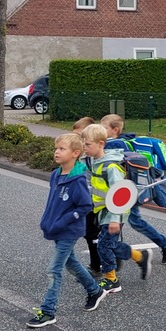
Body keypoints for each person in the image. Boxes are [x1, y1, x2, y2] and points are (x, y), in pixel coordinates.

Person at [25, 133, 108, 328]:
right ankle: (94, 290)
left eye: (62, 149)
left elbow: (85, 206)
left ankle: (48, 311)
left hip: (69, 231)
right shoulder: (56, 174)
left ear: (75, 153)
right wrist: (50, 221)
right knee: (71, 264)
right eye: (56, 148)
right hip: (56, 228)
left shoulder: (78, 180)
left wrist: (65, 220)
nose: (56, 152)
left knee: (54, 269)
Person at [81, 123, 152, 292]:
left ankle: (112, 280)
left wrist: (114, 219)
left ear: (101, 144)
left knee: (104, 245)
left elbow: (120, 195)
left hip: (114, 213)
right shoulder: (95, 162)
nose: (84, 148)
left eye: (88, 145)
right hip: (102, 211)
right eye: (83, 143)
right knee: (108, 244)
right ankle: (140, 257)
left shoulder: (111, 167)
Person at [100, 113, 166, 264]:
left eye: (104, 128)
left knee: (129, 220)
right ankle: (163, 243)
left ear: (115, 130)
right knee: (133, 220)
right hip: (130, 188)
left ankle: (163, 243)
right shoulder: (125, 140)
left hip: (126, 190)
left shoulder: (115, 144)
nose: (102, 131)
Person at [72, 116, 102, 273]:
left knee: (93, 235)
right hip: (87, 202)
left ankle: (97, 266)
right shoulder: (82, 157)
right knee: (91, 235)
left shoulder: (93, 158)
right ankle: (97, 265)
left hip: (95, 203)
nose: (76, 140)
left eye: (79, 137)